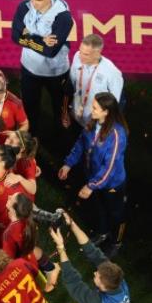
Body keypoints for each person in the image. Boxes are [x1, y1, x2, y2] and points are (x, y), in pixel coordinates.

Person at [50, 212, 133, 303]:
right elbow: (92, 251)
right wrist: (72, 223)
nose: (95, 273)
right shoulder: (119, 282)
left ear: (103, 287)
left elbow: (72, 280)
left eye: (97, 277)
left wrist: (61, 247)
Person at [58, 92, 128, 256]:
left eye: (95, 107)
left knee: (115, 213)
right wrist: (68, 164)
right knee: (100, 207)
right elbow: (80, 144)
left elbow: (109, 167)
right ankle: (102, 232)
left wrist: (91, 186)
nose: (91, 109)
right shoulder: (93, 122)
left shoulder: (117, 136)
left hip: (112, 185)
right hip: (94, 180)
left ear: (106, 112)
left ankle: (115, 242)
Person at [12, 0, 73, 136]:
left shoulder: (63, 16)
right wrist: (40, 39)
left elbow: (50, 51)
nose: (34, 3)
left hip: (56, 72)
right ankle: (31, 138)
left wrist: (28, 36)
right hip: (29, 69)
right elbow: (14, 36)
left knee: (60, 108)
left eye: (39, 0)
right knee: (30, 108)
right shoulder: (24, 6)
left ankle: (61, 139)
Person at [3, 192, 60, 292]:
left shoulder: (12, 232)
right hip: (26, 250)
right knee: (32, 251)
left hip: (23, 262)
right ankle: (50, 268)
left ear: (15, 210)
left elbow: (8, 258)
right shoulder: (24, 219)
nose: (8, 196)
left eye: (11, 198)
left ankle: (47, 276)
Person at [65, 34, 124, 129]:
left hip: (95, 123)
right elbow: (71, 86)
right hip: (75, 116)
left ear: (97, 53)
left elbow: (113, 105)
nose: (80, 56)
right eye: (80, 51)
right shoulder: (77, 57)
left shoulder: (112, 73)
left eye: (86, 54)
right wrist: (66, 111)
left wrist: (101, 126)